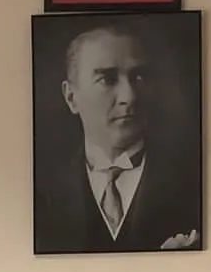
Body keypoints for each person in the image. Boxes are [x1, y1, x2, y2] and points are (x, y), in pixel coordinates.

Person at [34, 22, 202, 254]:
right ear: (71, 96)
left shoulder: (193, 183)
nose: (129, 97)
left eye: (138, 77)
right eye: (108, 80)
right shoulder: (41, 195)